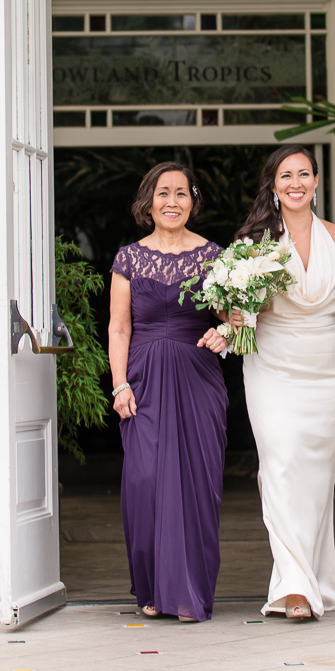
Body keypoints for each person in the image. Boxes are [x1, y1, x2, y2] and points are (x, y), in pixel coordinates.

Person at [108, 161, 229, 623]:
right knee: (144, 482)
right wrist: (119, 382)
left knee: (197, 483)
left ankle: (189, 593)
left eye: (181, 193)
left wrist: (229, 330)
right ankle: (154, 586)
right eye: (163, 193)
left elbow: (232, 318)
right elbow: (119, 327)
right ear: (148, 202)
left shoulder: (215, 257)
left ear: (192, 202)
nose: (172, 202)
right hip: (142, 379)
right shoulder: (128, 258)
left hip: (198, 378)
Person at [239, 145, 335, 621]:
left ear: (317, 181)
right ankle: (296, 588)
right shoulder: (253, 243)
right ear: (273, 184)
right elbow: (232, 310)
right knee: (280, 467)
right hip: (272, 366)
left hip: (328, 369)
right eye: (286, 175)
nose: (296, 183)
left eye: (304, 174)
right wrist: (234, 310)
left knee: (318, 480)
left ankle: (313, 582)